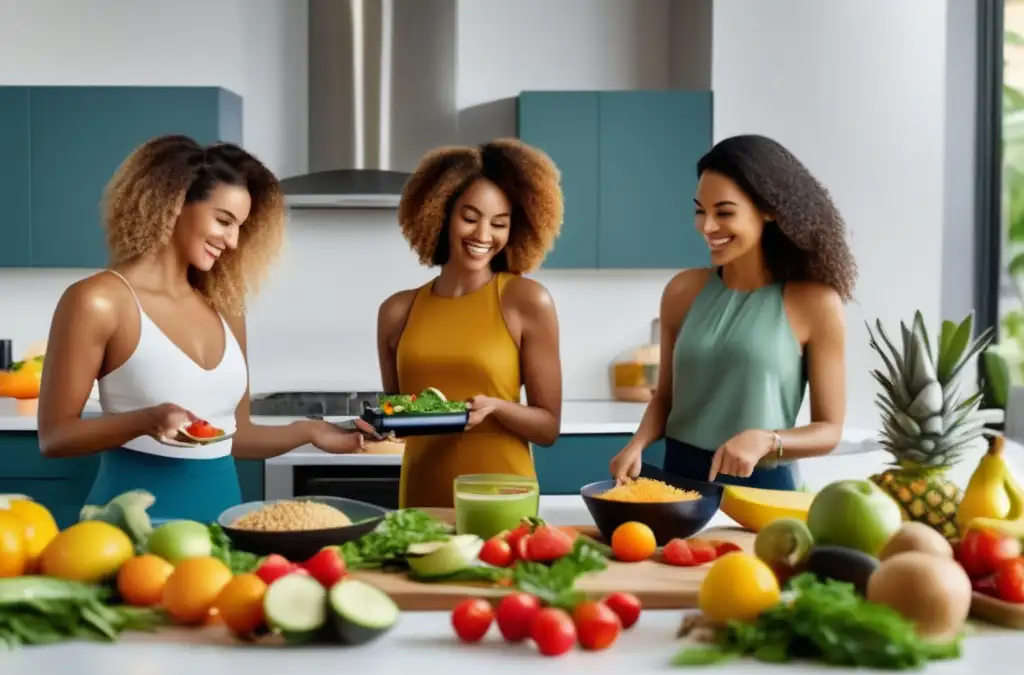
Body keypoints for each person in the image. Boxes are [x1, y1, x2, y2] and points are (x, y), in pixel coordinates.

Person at [37, 135, 368, 522]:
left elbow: (237, 436)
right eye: (224, 221)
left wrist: (309, 430)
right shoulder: (99, 301)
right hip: (129, 529)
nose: (232, 241)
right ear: (173, 201)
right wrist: (146, 420)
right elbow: (55, 436)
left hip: (223, 524)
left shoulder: (226, 308)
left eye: (240, 227)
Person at [609, 134, 857, 491]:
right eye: (700, 211)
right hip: (678, 481)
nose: (707, 227)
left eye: (724, 212)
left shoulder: (816, 303)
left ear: (769, 210)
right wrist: (637, 444)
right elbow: (665, 398)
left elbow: (829, 430)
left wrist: (769, 441)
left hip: (764, 485)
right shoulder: (682, 291)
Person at [378, 139, 565, 508]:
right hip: (422, 497)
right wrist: (373, 426)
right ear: (441, 213)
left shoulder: (526, 301)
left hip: (503, 496)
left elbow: (548, 428)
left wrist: (496, 407)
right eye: (470, 217)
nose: (483, 235)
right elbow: (398, 418)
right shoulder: (397, 310)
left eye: (499, 223)